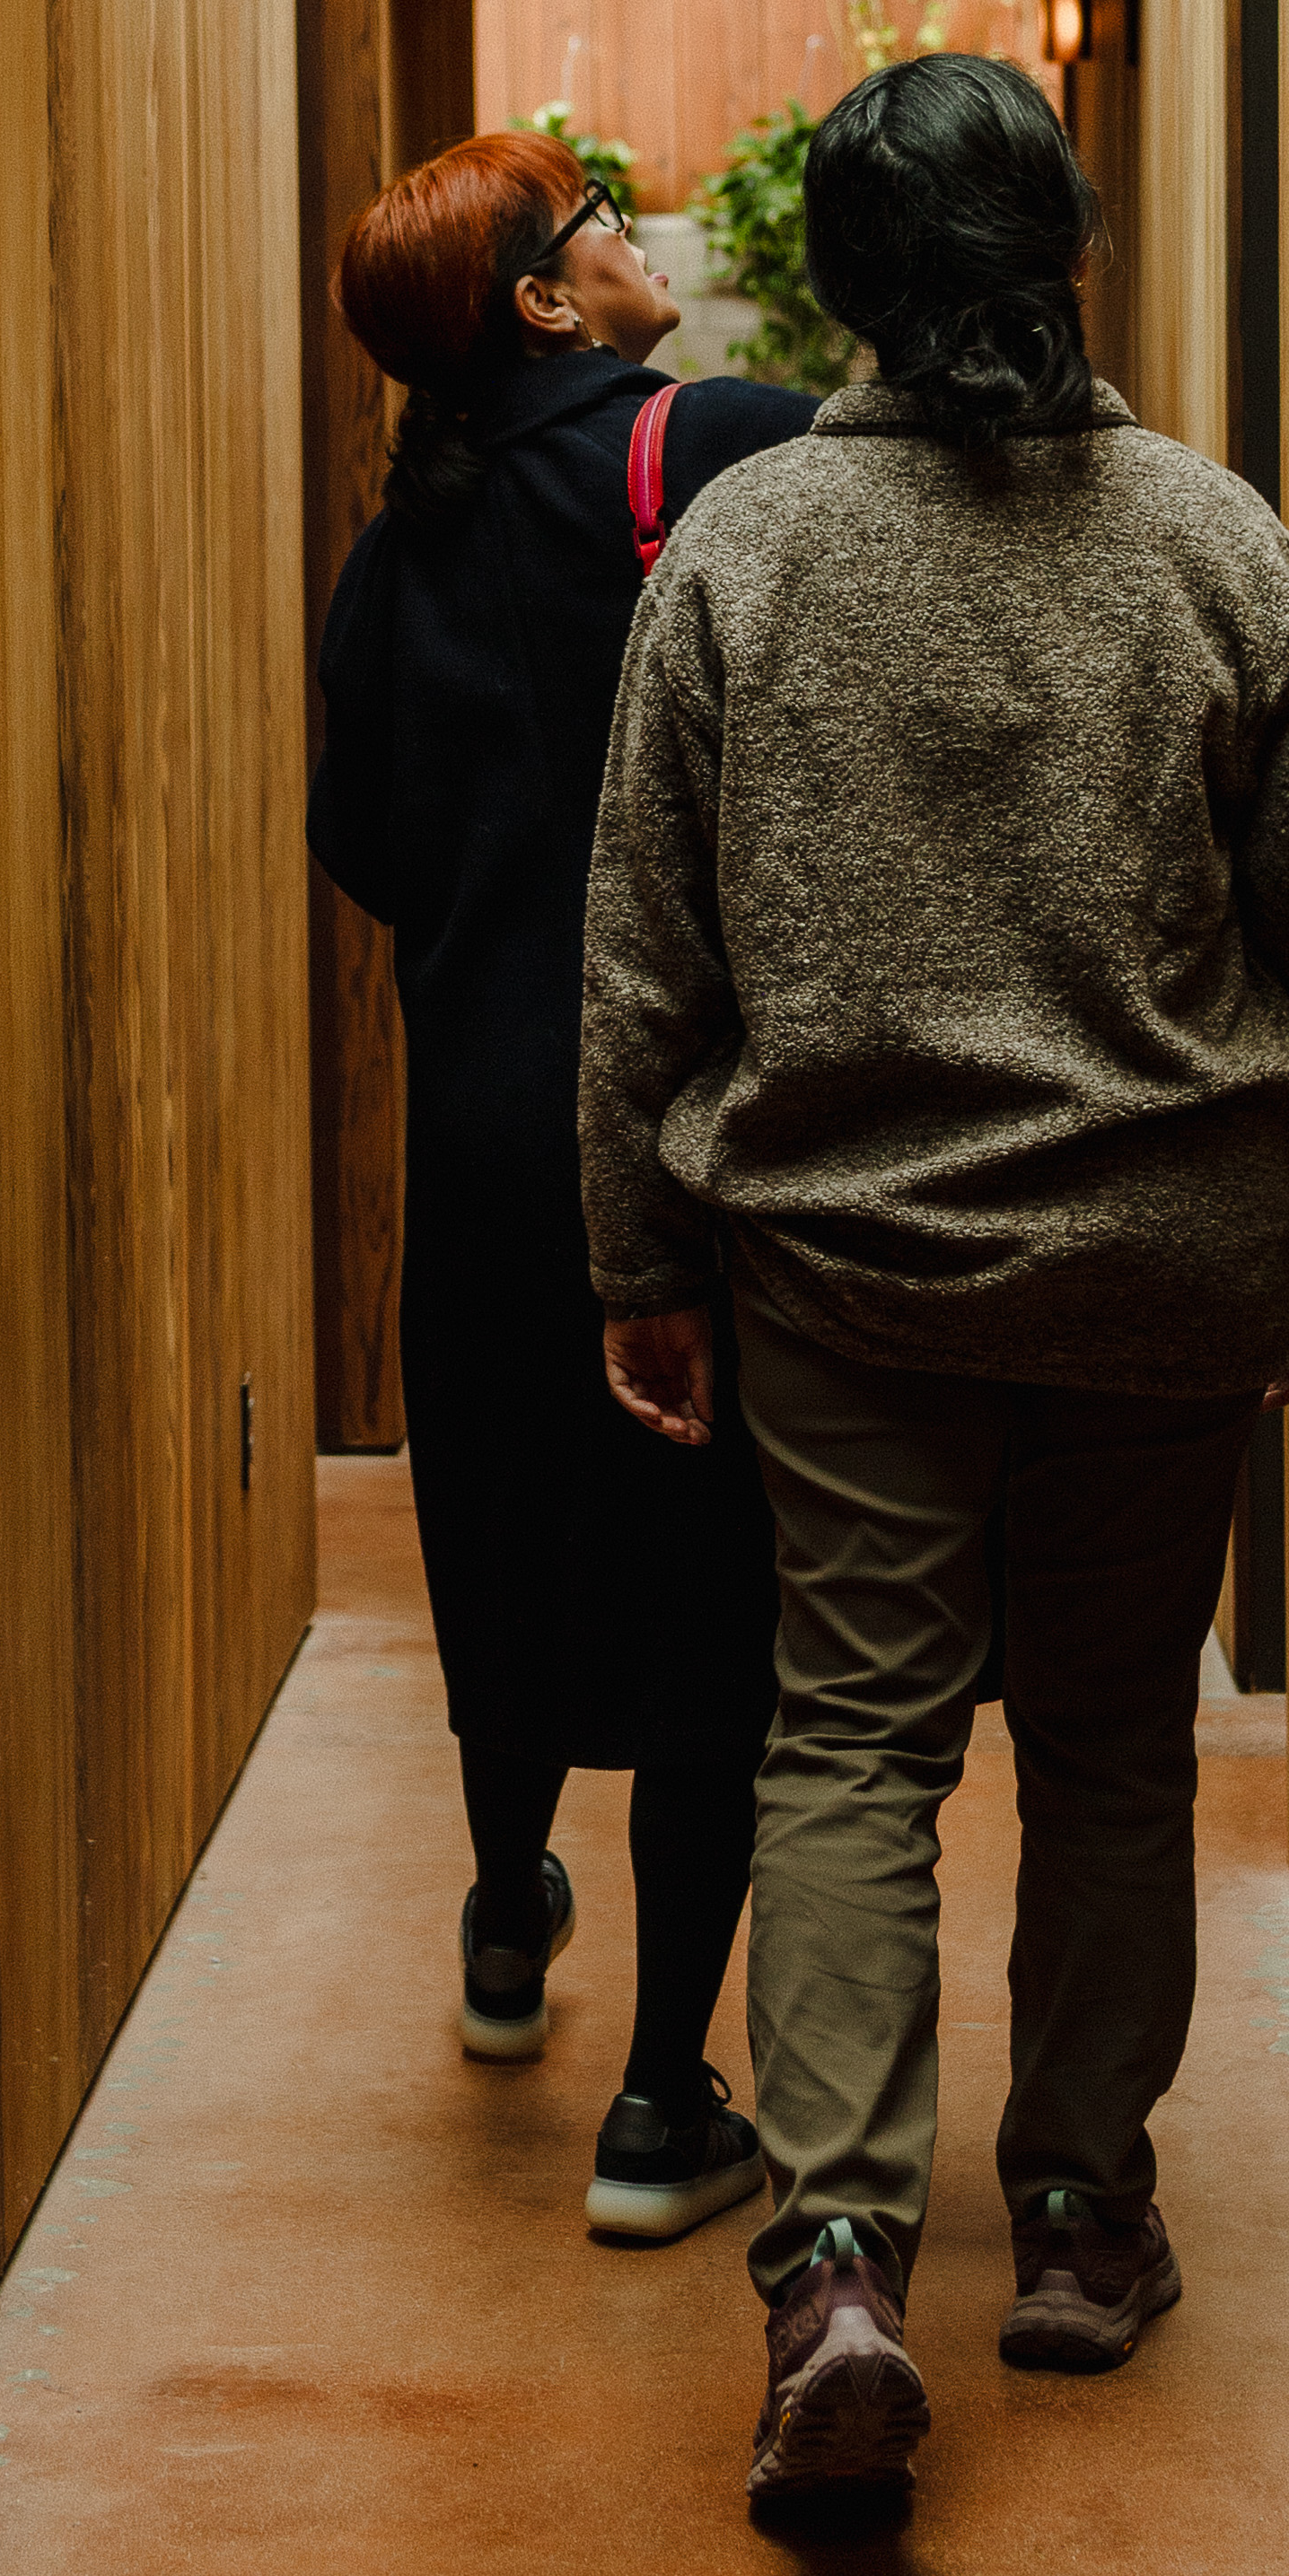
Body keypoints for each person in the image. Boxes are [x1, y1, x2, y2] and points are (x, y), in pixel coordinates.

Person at [578, 50, 1289, 2499]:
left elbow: (644, 945)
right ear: (1069, 252)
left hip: (849, 1258)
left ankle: (829, 2250)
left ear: (843, 281)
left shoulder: (742, 552)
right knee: (1116, 1739)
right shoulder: (1214, 543)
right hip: (1162, 1252)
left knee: (853, 1738)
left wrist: (640, 1246)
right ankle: (1074, 2211)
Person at [308, 130, 821, 2239]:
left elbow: (358, 840)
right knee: (710, 1582)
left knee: (505, 1520)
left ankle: (506, 1924)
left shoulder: (389, 547)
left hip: (479, 1126)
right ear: (541, 299)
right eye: (596, 216)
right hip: (685, 1119)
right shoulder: (719, 443)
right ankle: (657, 2100)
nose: (629, 235)